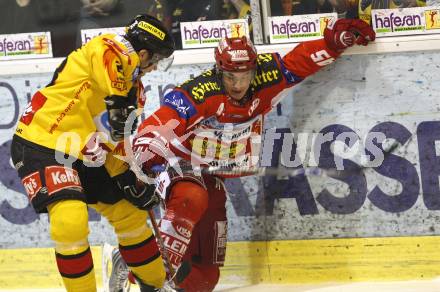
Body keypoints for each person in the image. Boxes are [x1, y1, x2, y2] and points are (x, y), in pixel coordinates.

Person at [107, 18, 376, 292]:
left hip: (213, 179)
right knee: (191, 198)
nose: (238, 84)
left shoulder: (267, 79)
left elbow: (299, 62)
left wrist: (332, 44)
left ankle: (132, 262)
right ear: (219, 70)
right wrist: (142, 160)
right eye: (230, 76)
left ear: (254, 70)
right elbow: (159, 125)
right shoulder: (199, 93)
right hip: (180, 171)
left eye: (244, 75)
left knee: (204, 280)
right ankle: (147, 278)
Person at [10, 14, 175, 292]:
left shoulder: (135, 93)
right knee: (70, 221)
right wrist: (119, 101)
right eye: (156, 60)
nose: (155, 67)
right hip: (43, 142)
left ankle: (155, 285)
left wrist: (128, 177)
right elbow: (112, 56)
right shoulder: (107, 48)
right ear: (143, 54)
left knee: (130, 214)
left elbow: (115, 141)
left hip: (86, 154)